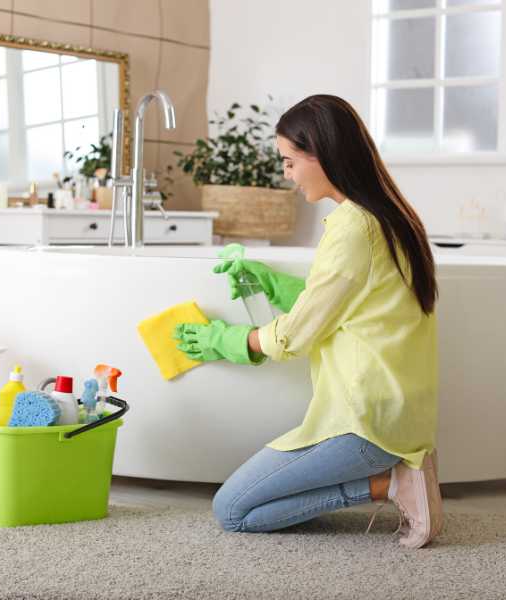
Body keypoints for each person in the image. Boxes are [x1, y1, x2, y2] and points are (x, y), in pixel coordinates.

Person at [173, 94, 443, 549]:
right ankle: (396, 477)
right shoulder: (389, 216)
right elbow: (349, 306)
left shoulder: (353, 228)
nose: (286, 175)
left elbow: (295, 337)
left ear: (323, 155)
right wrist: (273, 284)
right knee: (242, 506)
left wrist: (227, 340)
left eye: (289, 161)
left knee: (232, 511)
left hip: (364, 424)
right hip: (400, 416)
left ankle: (389, 485)